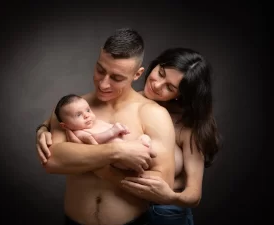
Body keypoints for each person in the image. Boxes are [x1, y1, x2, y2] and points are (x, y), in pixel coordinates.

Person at [37, 47, 221, 225]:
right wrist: (43, 128)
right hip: (141, 207)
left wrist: (169, 196)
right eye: (161, 73)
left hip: (169, 213)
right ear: (154, 65)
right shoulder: (131, 102)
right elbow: (61, 118)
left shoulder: (187, 127)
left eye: (169, 87)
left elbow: (194, 195)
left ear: (180, 95)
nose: (157, 85)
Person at [35, 28, 176, 225]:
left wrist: (102, 170)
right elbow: (53, 160)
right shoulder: (71, 107)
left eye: (116, 78)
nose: (103, 84)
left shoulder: (153, 114)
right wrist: (116, 151)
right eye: (100, 70)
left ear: (137, 74)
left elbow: (162, 183)